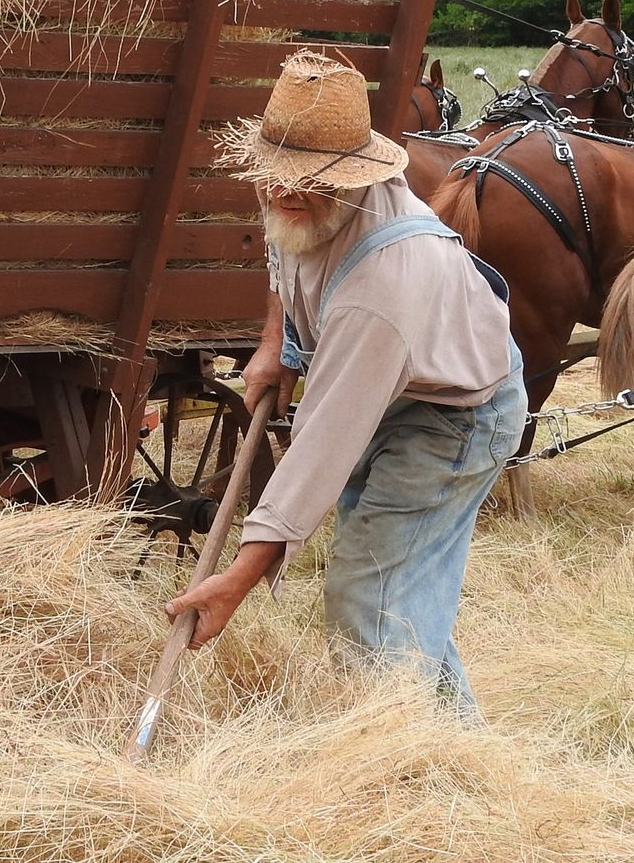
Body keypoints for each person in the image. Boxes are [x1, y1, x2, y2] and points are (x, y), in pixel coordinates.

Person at [165, 51, 528, 715]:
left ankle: (403, 764)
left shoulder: (383, 285)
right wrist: (276, 346)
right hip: (400, 388)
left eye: (304, 181)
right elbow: (284, 253)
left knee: (370, 598)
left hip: (455, 415)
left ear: (352, 178)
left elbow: (322, 445)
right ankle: (453, 747)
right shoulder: (289, 188)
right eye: (274, 174)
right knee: (399, 594)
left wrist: (236, 581)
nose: (280, 191)